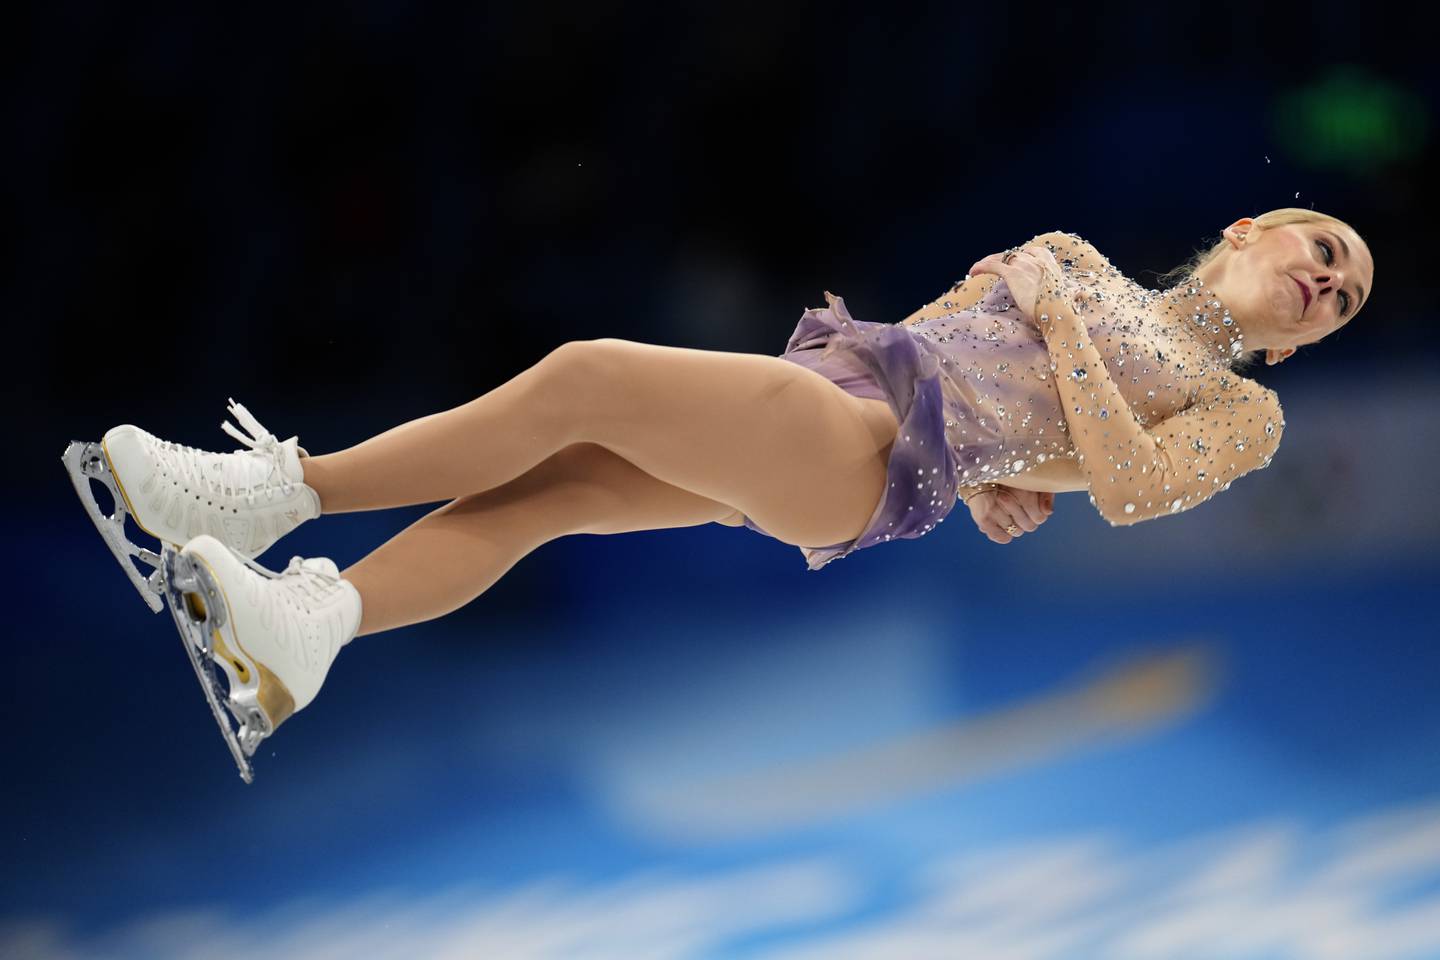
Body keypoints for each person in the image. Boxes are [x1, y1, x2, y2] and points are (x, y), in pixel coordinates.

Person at [63, 207, 1373, 778]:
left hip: (857, 459)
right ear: (1253, 234)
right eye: (1323, 249)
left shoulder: (1243, 412)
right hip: (843, 406)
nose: (1328, 278)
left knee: (581, 373)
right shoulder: (1076, 258)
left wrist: (1051, 330)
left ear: (1308, 342)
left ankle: (272, 495)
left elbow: (1137, 490)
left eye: (1348, 295)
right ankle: (309, 629)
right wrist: (1001, 474)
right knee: (555, 494)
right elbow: (945, 351)